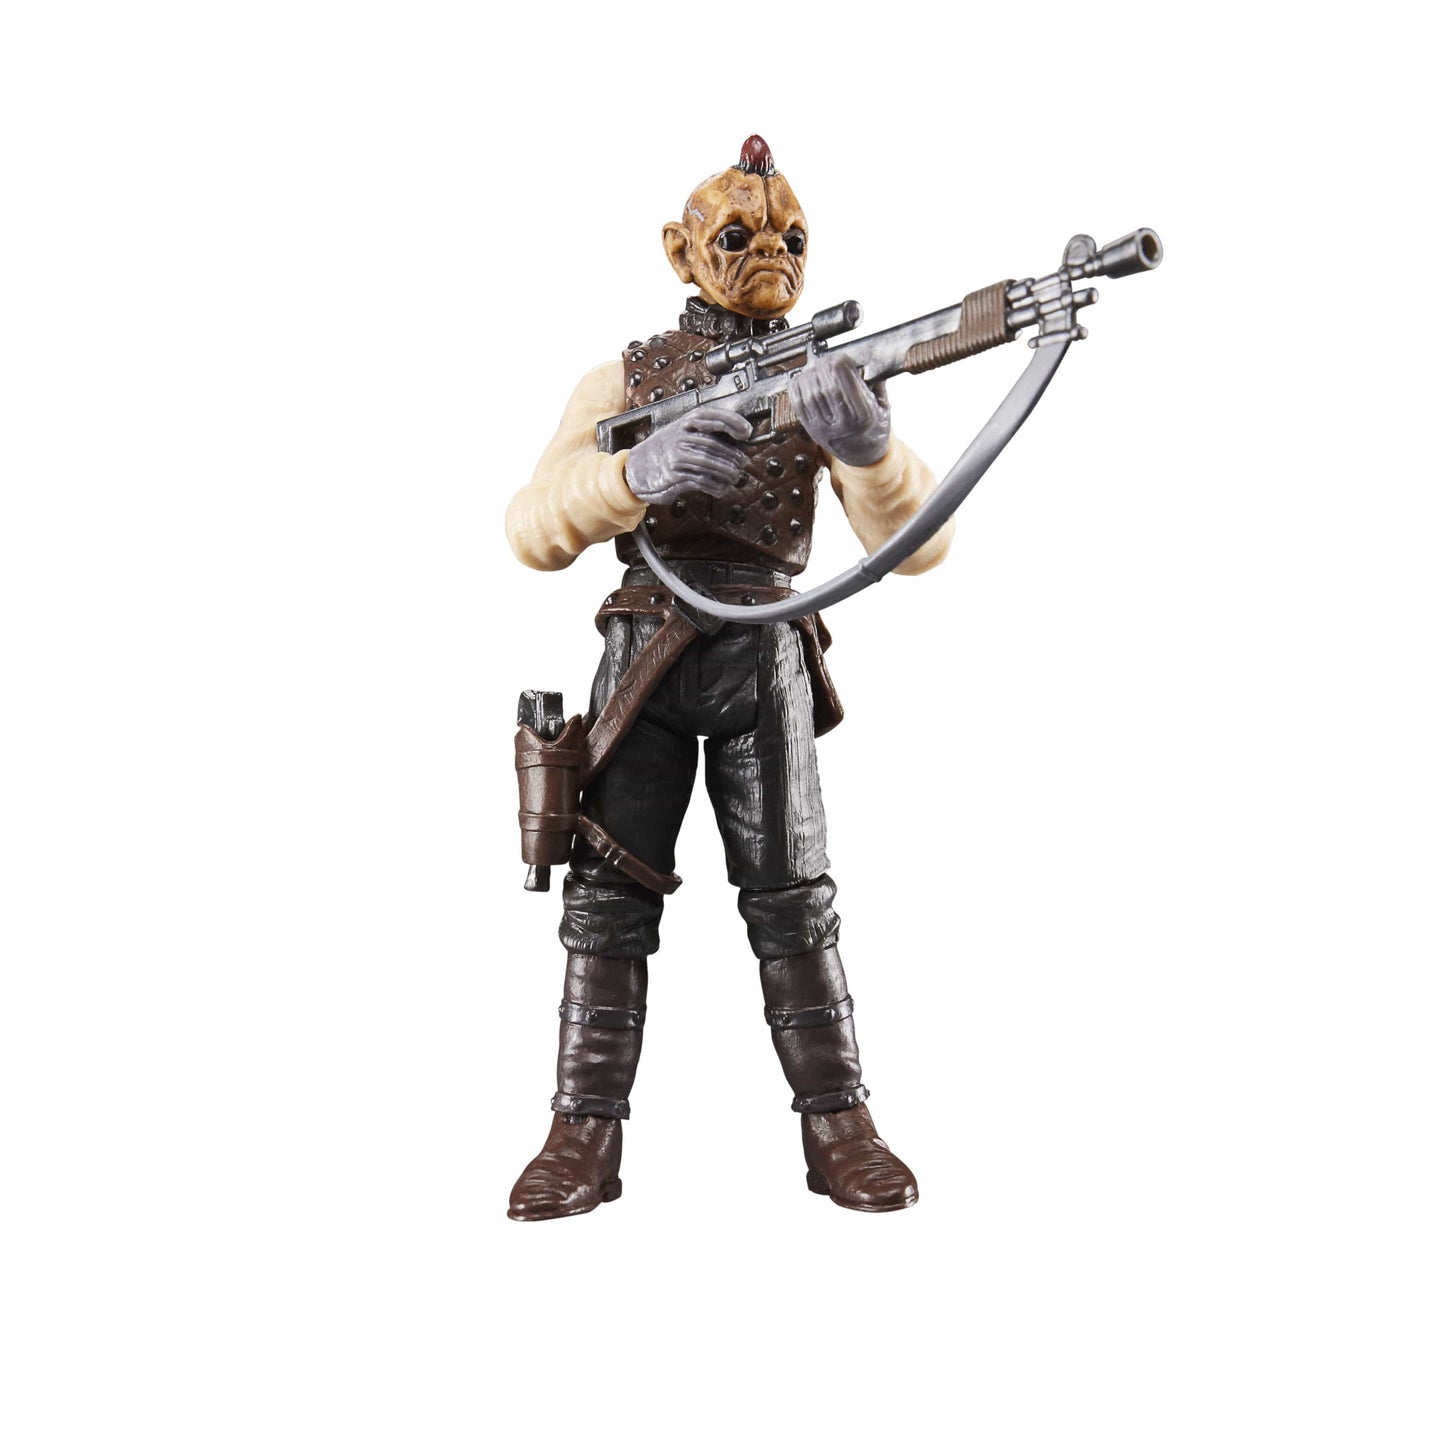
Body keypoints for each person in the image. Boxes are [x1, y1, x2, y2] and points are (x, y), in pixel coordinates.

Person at [504, 136, 953, 1220]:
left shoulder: (819, 371)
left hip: (766, 647)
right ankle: (581, 1130)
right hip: (646, 651)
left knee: (794, 897)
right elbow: (529, 528)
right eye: (740, 236)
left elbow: (919, 545)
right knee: (606, 896)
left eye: (791, 239)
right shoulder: (623, 379)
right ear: (681, 251)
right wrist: (632, 471)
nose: (772, 256)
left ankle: (838, 1125)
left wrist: (868, 450)